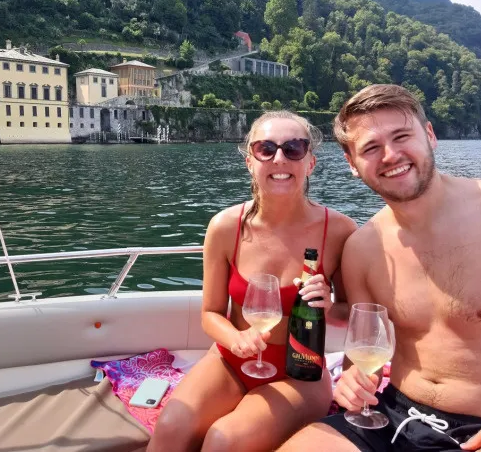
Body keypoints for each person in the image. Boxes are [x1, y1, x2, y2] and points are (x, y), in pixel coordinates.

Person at [278, 84, 481, 452]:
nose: (391, 155)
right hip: (395, 416)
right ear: (352, 164)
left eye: (401, 136)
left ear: (430, 136)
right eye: (371, 148)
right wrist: (354, 382)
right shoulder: (362, 249)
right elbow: (362, 355)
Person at [148, 111, 357, 451]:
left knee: (223, 440)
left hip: (300, 373)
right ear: (250, 161)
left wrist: (330, 307)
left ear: (310, 163)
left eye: (293, 148)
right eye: (266, 148)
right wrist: (235, 338)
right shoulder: (225, 227)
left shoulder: (339, 231)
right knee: (171, 427)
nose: (279, 159)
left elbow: (354, 314)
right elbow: (211, 314)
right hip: (231, 360)